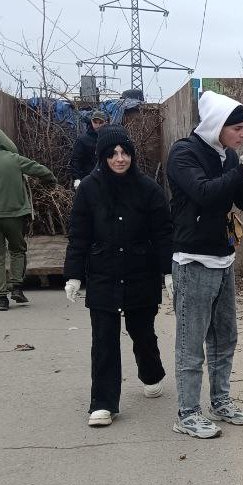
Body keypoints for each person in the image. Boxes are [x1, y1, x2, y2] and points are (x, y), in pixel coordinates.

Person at [166, 90, 243, 439]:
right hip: (193, 260)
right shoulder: (184, 153)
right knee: (191, 341)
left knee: (225, 337)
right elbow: (205, 193)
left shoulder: (226, 156)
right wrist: (242, 168)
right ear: (217, 125)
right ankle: (187, 412)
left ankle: (220, 401)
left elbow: (242, 200)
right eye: (237, 128)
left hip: (223, 258)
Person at [62, 125, 173, 428]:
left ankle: (151, 373)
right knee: (104, 340)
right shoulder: (89, 188)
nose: (120, 159)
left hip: (141, 272)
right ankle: (103, 402)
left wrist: (168, 272)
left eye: (125, 153)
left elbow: (163, 232)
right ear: (102, 157)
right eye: (112, 154)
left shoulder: (148, 188)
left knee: (142, 331)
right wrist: (73, 274)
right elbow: (79, 234)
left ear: (132, 155)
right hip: (103, 273)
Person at [0, 128, 56, 311]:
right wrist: (50, 180)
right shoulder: (15, 159)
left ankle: (2, 298)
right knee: (17, 250)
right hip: (14, 216)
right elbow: (41, 170)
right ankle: (17, 287)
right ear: (6, 141)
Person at [70, 109, 108, 186]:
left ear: (105, 122)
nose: (98, 125)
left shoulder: (109, 138)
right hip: (89, 179)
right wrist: (77, 179)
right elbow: (76, 160)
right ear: (91, 122)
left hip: (106, 179)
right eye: (95, 122)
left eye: (100, 122)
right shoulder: (82, 140)